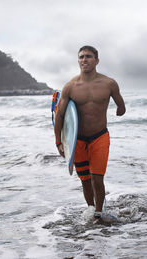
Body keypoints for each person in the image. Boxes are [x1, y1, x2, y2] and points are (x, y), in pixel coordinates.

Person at [54, 45, 126, 223]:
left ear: (97, 60)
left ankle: (99, 214)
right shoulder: (70, 87)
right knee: (85, 179)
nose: (84, 60)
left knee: (97, 178)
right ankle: (91, 208)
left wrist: (120, 110)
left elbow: (121, 106)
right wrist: (59, 142)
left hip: (99, 136)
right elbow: (61, 116)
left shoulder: (109, 83)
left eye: (88, 56)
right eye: (81, 57)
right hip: (78, 140)